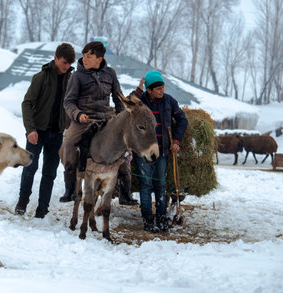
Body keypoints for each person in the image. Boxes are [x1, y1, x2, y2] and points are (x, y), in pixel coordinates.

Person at [59, 41, 137, 205]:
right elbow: (69, 102)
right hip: (83, 120)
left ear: (99, 59)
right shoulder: (76, 76)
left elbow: (118, 99)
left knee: (125, 149)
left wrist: (122, 118)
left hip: (106, 119)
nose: (85, 59)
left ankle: (125, 192)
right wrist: (78, 114)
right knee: (69, 145)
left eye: (89, 56)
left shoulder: (110, 73)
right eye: (84, 55)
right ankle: (70, 189)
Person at [15, 43, 76, 218]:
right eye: (64, 62)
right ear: (56, 58)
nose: (66, 67)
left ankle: (43, 208)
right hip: (37, 132)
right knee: (30, 167)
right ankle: (23, 201)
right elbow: (27, 103)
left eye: (69, 64)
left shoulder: (71, 80)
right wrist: (30, 129)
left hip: (57, 133)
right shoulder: (40, 77)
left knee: (50, 172)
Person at [130, 70, 188, 232]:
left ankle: (161, 217)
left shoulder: (169, 101)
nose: (161, 91)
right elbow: (126, 103)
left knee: (160, 184)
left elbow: (182, 119)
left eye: (162, 87)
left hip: (162, 150)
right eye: (157, 89)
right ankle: (147, 218)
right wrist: (139, 88)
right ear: (149, 90)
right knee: (146, 184)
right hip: (144, 151)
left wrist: (176, 140)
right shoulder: (140, 101)